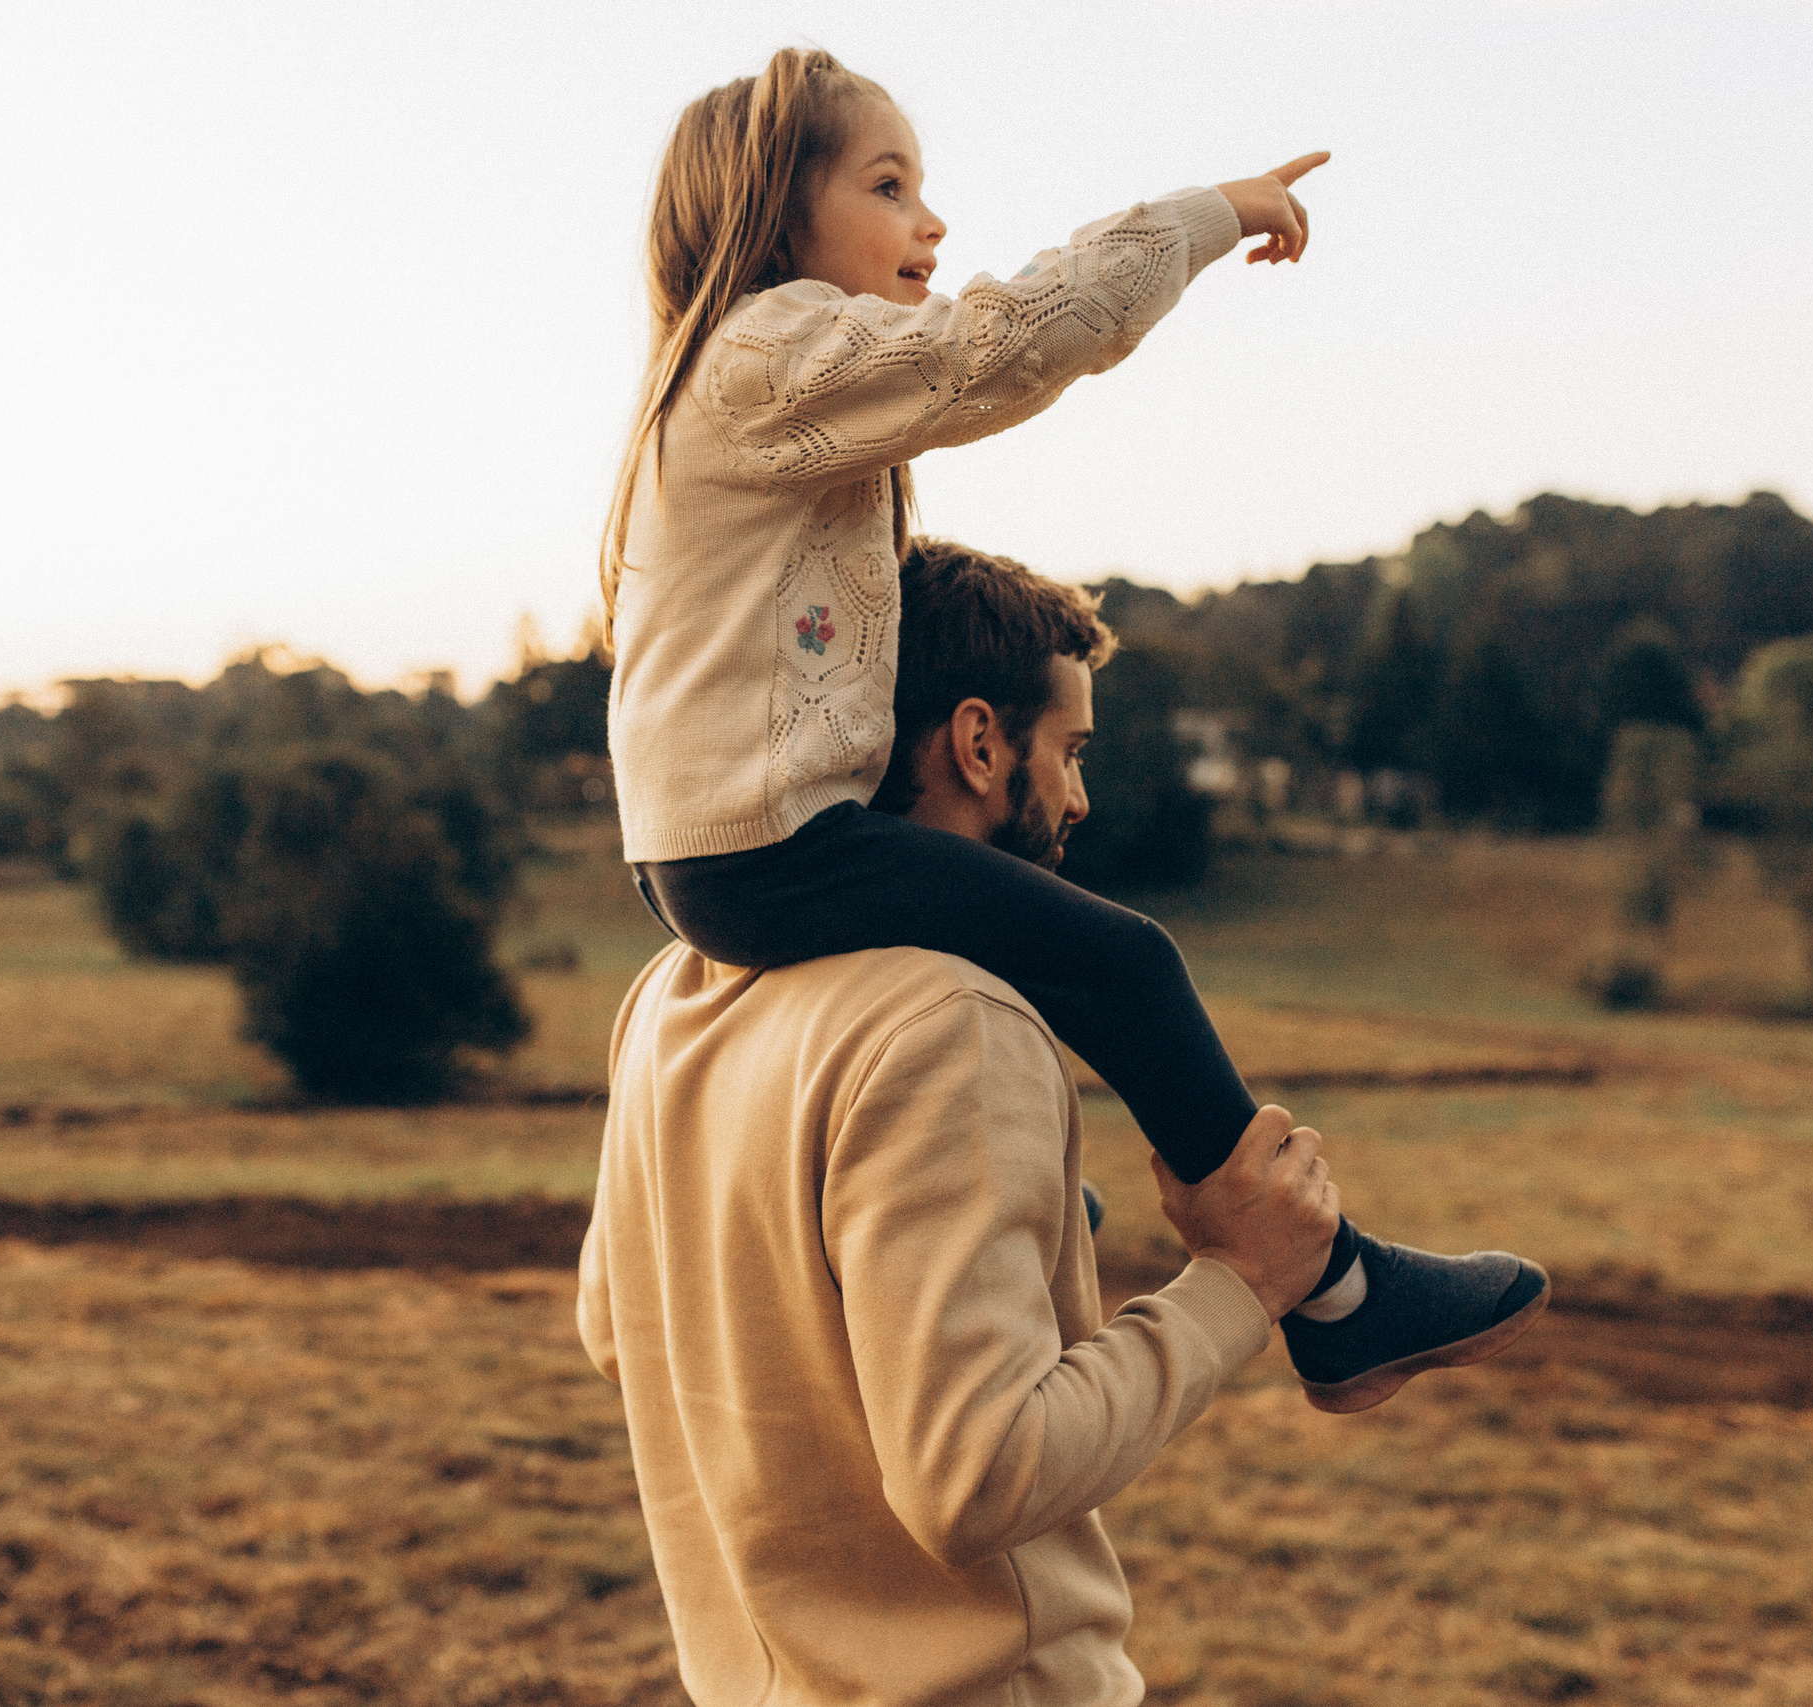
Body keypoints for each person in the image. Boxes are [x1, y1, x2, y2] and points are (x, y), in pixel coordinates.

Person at [601, 47, 1540, 1408]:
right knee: (1123, 961)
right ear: (774, 209)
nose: (931, 222)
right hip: (768, 846)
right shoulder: (766, 353)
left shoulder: (736, 384)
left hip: (717, 848)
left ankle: (1042, 1211)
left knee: (1005, 956)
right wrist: (1206, 216)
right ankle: (1340, 1295)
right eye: (887, 186)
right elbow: (1000, 346)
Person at [579, 544, 1535, 1703]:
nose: (1080, 799)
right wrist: (1243, 1284)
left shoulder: (673, 995)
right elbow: (978, 1478)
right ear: (979, 744)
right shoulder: (948, 1021)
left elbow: (621, 1327)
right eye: (1071, 752)